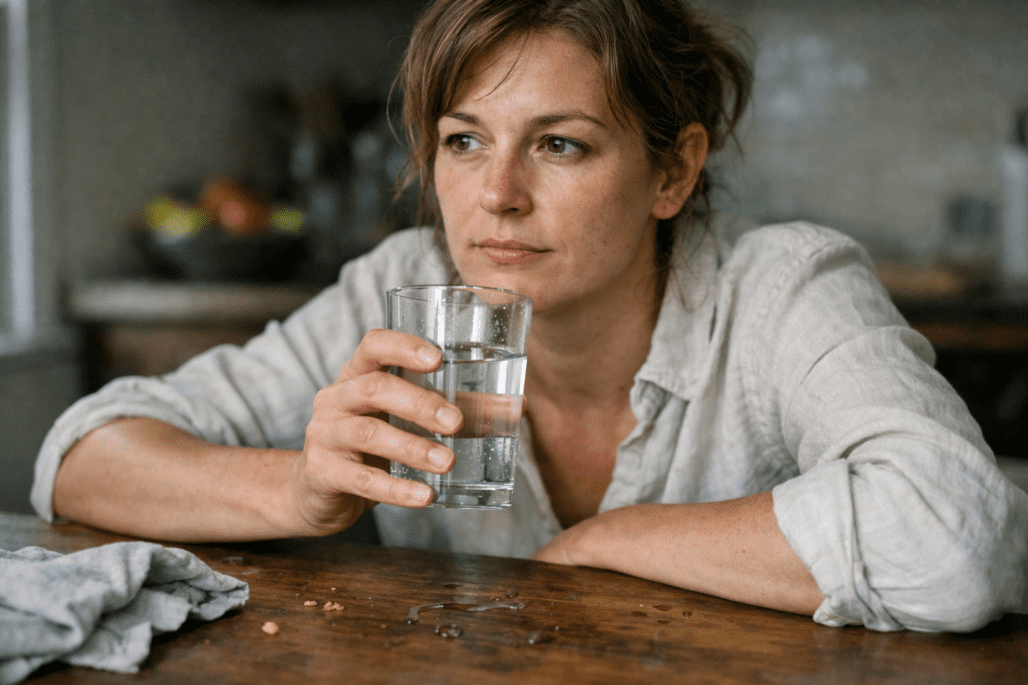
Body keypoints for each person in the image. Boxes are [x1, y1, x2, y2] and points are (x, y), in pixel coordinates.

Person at [33, 0, 1027, 633]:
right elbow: (80, 456)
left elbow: (953, 541)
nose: (494, 195)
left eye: (558, 146)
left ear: (671, 170)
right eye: (464, 141)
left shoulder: (780, 289)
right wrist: (295, 488)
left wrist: (609, 542)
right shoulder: (405, 284)